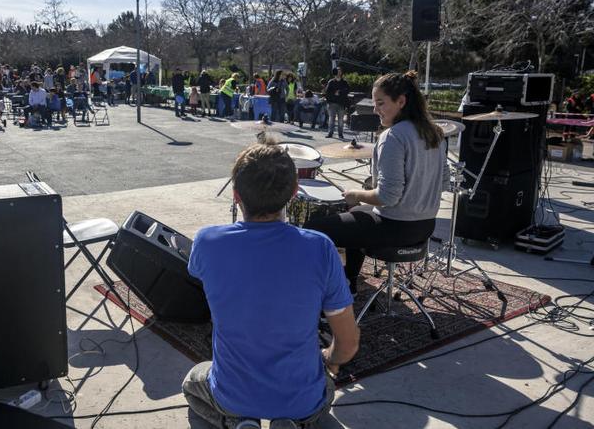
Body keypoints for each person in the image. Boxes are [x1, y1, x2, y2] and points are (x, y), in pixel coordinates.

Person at [183, 138, 359, 429]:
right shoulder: (321, 248)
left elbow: (202, 277)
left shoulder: (206, 241)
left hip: (232, 395)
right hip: (302, 401)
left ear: (237, 195)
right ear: (294, 192)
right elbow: (349, 344)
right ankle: (292, 423)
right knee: (323, 382)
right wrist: (329, 359)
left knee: (193, 381)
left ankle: (240, 421)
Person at [305, 71, 449, 295]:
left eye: (380, 103)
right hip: (425, 226)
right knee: (356, 213)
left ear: (401, 101)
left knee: (313, 228)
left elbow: (388, 197)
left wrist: (357, 193)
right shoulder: (436, 133)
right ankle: (348, 282)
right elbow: (444, 182)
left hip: (395, 227)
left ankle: (331, 292)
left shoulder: (393, 136)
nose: (375, 110)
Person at [324, 68, 350, 139]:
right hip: (332, 104)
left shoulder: (344, 82)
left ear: (341, 73)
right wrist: (334, 93)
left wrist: (340, 92)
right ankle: (330, 133)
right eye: (337, 71)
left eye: (340, 71)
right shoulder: (331, 82)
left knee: (340, 120)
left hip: (341, 104)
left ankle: (340, 134)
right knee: (331, 119)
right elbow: (327, 92)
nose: (339, 73)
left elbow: (347, 90)